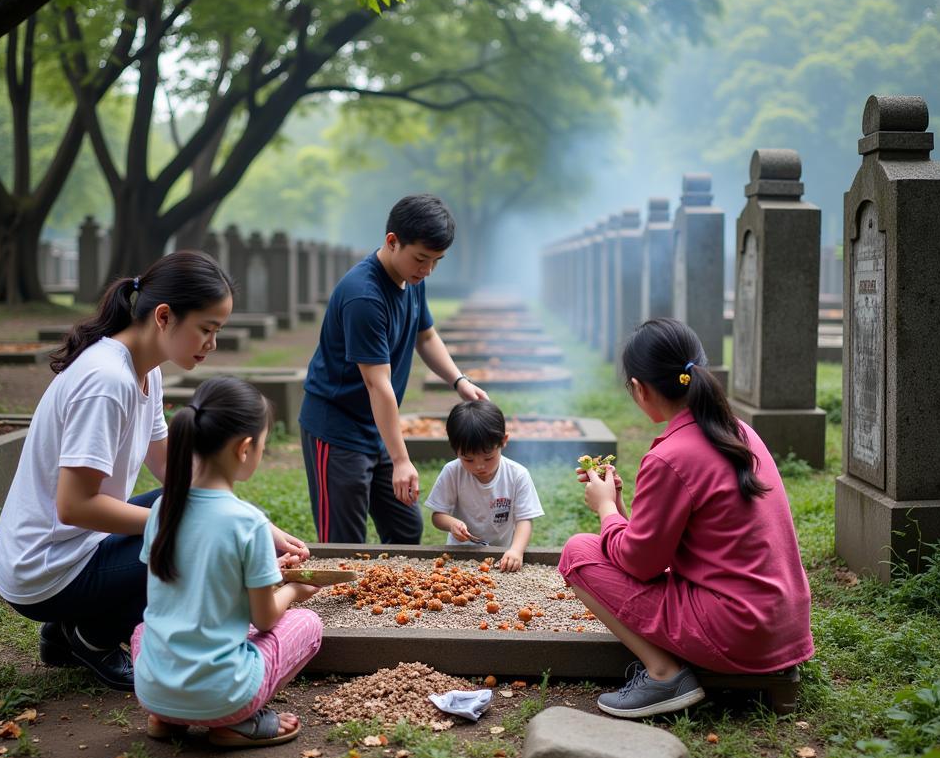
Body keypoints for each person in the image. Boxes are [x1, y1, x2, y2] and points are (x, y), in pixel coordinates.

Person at [0, 251, 309, 692]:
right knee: (192, 535)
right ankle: (91, 636)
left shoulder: (145, 372)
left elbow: (173, 472)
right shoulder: (106, 382)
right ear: (164, 316)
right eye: (206, 329)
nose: (211, 344)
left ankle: (69, 629)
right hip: (45, 568)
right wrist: (195, 526)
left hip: (75, 549)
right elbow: (74, 505)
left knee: (191, 513)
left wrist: (253, 524)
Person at [559, 318, 814, 719]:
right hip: (784, 624)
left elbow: (642, 565)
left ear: (640, 389)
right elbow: (663, 546)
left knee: (577, 552)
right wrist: (623, 508)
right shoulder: (740, 432)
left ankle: (664, 675)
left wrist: (606, 509)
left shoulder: (670, 456)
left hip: (738, 630)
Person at [131, 377, 322, 747]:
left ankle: (165, 717)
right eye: (264, 445)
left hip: (153, 687)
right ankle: (235, 723)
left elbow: (183, 591)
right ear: (245, 448)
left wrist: (267, 574)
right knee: (307, 624)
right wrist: (295, 589)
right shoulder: (247, 522)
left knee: (143, 630)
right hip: (223, 695)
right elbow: (264, 618)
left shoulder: (162, 508)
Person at [299, 194, 488, 545]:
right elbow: (377, 385)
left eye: (436, 261)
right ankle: (339, 601)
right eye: (421, 259)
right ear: (392, 241)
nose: (427, 269)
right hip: (337, 428)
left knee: (404, 527)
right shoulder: (364, 297)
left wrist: (458, 380)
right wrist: (402, 460)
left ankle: (391, 599)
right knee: (344, 542)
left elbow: (426, 335)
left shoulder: (413, 278)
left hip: (377, 423)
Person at [425, 400, 544, 572]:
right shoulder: (452, 472)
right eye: (468, 459)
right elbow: (437, 516)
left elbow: (524, 519)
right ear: (455, 449)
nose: (479, 466)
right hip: (460, 555)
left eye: (488, 458)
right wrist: (452, 524)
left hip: (502, 553)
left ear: (504, 441)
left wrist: (516, 551)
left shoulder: (517, 474)